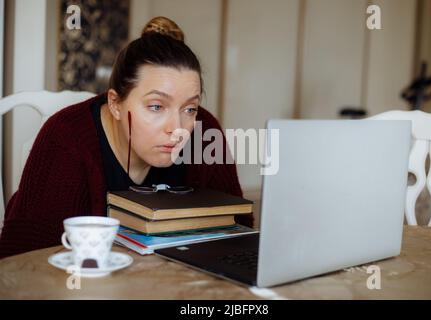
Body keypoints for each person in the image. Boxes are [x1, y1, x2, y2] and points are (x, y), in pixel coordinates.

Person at [0, 16, 253, 259]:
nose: (177, 129)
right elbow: (23, 259)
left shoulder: (204, 131)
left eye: (189, 108)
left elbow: (240, 234)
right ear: (115, 104)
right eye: (156, 106)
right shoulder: (66, 138)